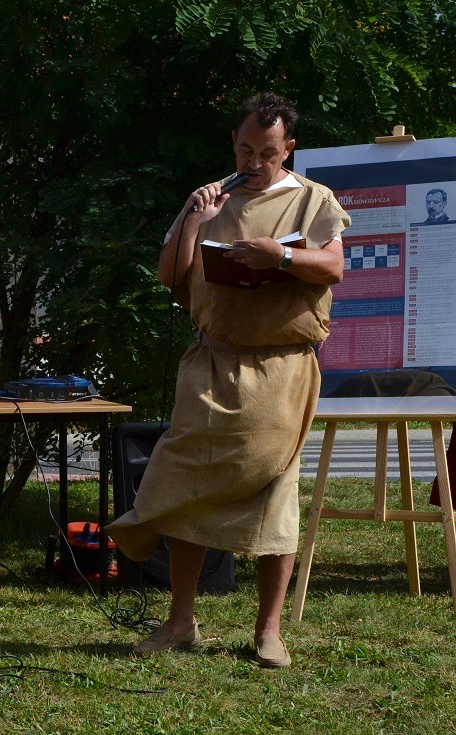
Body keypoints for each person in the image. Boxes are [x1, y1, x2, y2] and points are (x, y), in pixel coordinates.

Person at [107, 93, 351, 669]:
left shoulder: (313, 200)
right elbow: (172, 277)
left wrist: (281, 259)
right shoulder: (211, 198)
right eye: (245, 149)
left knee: (274, 492)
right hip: (211, 363)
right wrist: (195, 220)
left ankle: (269, 631)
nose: (254, 161)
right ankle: (181, 622)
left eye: (267, 152)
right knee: (185, 483)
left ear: (287, 147)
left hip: (281, 370)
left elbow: (335, 266)